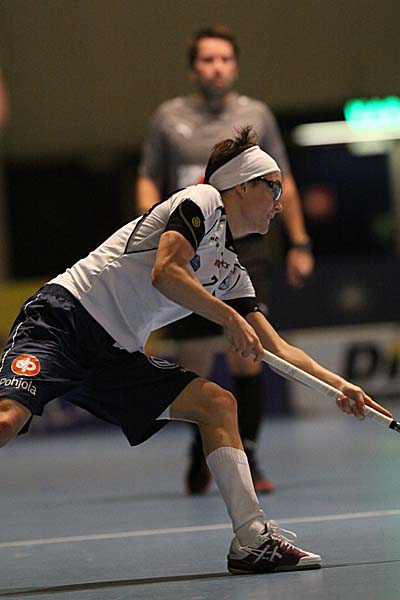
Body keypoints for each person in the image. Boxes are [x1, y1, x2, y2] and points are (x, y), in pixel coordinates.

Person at [0, 128, 391, 574]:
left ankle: (252, 541)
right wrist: (229, 319)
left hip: (115, 354)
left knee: (217, 404)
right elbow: (166, 272)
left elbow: (276, 347)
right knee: (7, 421)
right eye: (274, 187)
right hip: (64, 321)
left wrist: (341, 386)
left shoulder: (231, 271)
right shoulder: (201, 200)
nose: (280, 203)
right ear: (242, 185)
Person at [136, 25, 314, 495]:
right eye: (208, 60)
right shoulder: (168, 118)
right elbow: (148, 177)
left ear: (235, 66)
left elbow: (283, 181)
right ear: (193, 68)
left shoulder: (256, 115)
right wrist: (153, 227)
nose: (217, 67)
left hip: (245, 246)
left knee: (248, 351)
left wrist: (299, 242)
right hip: (189, 241)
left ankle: (247, 454)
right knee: (194, 358)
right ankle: (202, 451)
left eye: (225, 59)